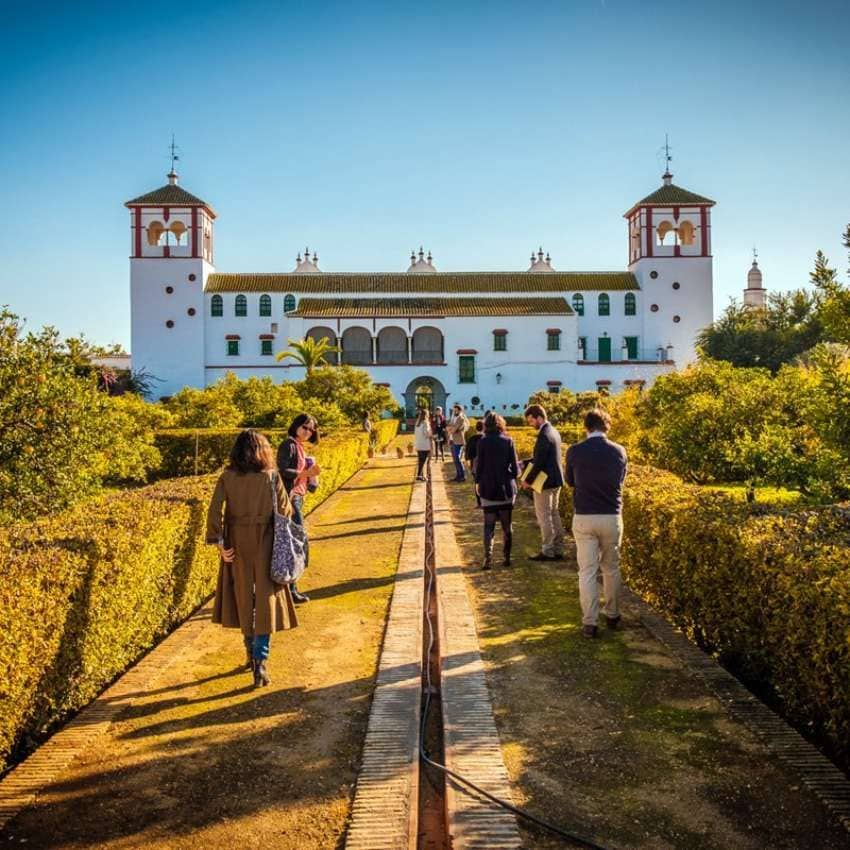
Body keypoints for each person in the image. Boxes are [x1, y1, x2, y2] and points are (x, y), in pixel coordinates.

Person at [206, 429, 298, 687]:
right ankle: (260, 661)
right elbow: (285, 511)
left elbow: (214, 511)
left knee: (243, 597)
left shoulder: (227, 477)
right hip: (266, 541)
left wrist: (220, 543)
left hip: (236, 541)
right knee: (266, 600)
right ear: (264, 450)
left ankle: (250, 652)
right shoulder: (271, 476)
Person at [566, 408, 628, 638]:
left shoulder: (575, 451)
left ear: (586, 427)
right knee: (611, 568)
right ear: (607, 426)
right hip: (611, 515)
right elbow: (621, 480)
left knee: (587, 571)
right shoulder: (619, 451)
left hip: (584, 515)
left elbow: (570, 481)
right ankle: (613, 615)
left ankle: (590, 623)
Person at [276, 413, 320, 603]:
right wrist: (306, 473)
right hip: (290, 499)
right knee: (295, 543)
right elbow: (282, 470)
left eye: (311, 429)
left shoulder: (299, 447)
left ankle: (291, 588)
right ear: (296, 426)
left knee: (295, 542)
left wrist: (310, 478)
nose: (308, 432)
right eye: (305, 427)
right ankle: (291, 590)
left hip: (298, 497)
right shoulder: (289, 445)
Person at [473, 413, 519, 569]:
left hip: (488, 487)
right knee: (507, 525)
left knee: (488, 525)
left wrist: (478, 482)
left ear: (486, 425)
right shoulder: (508, 441)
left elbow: (479, 466)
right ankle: (506, 558)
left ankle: (488, 558)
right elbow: (515, 468)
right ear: (501, 424)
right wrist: (509, 477)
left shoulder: (483, 442)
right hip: (506, 488)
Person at [522, 403, 566, 561]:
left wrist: (528, 480)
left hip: (545, 482)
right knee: (554, 514)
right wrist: (526, 462)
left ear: (539, 418)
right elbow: (545, 457)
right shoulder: (553, 431)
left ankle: (547, 550)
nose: (530, 424)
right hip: (556, 480)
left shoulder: (544, 435)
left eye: (531, 420)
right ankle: (558, 548)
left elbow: (540, 462)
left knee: (544, 516)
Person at [447, 403, 470, 482]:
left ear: (460, 410)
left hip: (459, 441)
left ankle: (462, 475)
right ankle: (458, 475)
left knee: (457, 458)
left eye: (456, 410)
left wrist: (451, 429)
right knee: (454, 459)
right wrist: (450, 429)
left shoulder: (461, 418)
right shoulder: (453, 417)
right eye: (454, 410)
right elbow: (448, 427)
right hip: (452, 440)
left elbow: (454, 429)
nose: (455, 411)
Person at [413, 407, 432, 481]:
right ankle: (420, 476)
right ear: (426, 415)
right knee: (423, 461)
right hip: (424, 445)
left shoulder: (417, 423)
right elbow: (426, 434)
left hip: (418, 444)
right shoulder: (425, 423)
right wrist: (432, 434)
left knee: (420, 461)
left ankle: (420, 475)